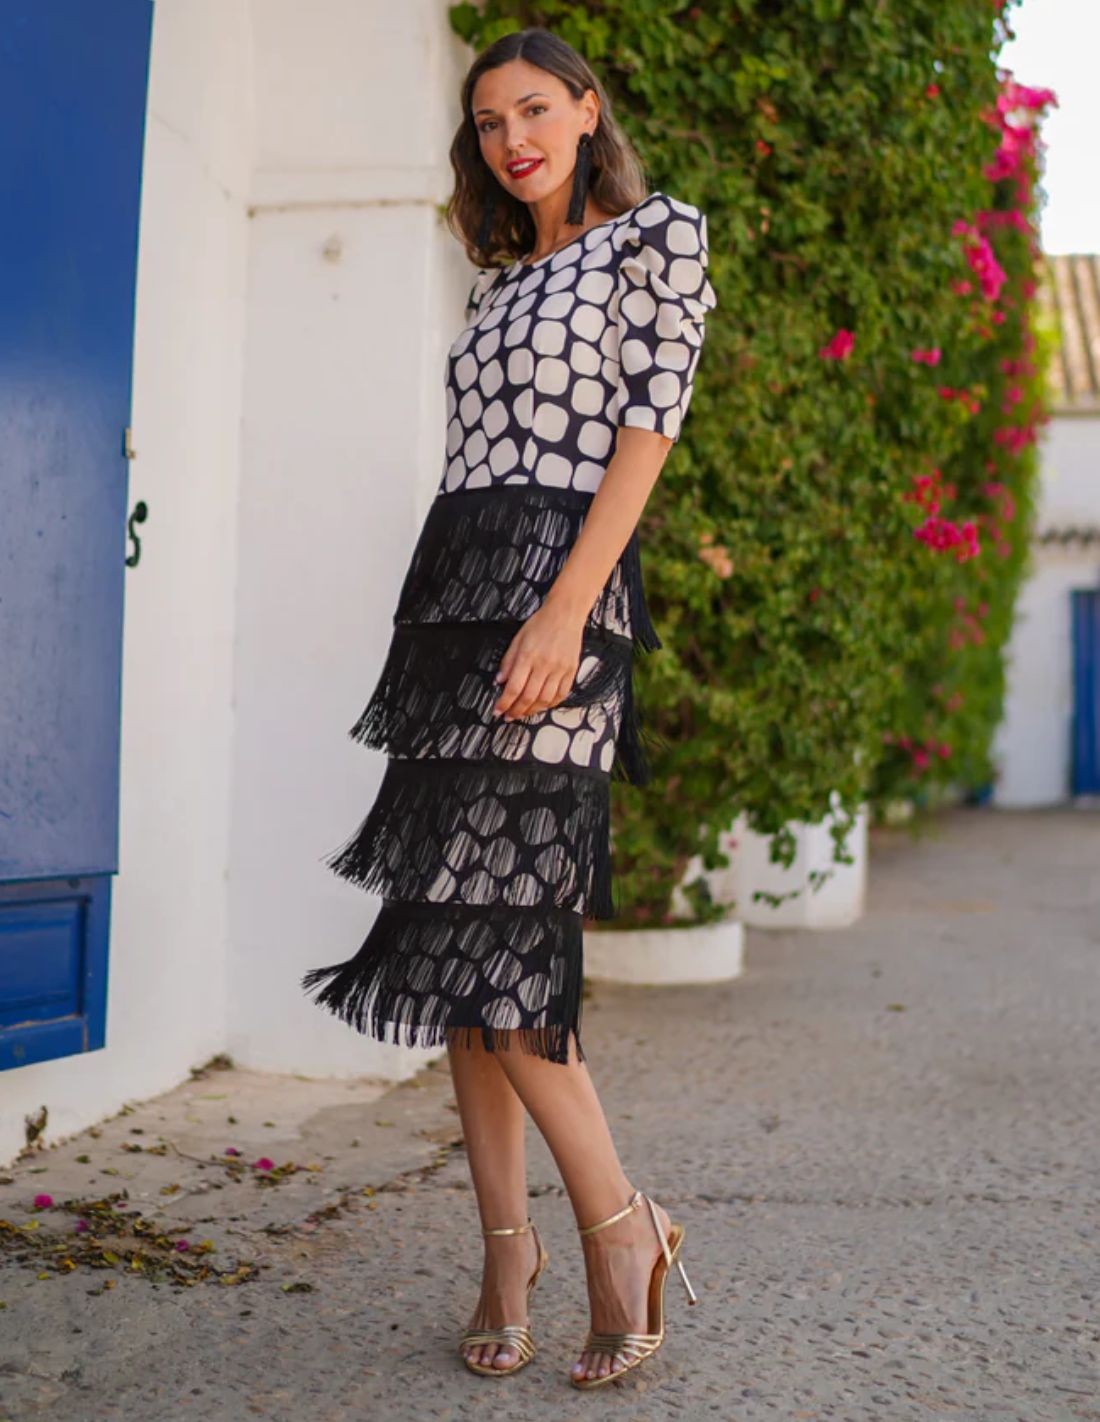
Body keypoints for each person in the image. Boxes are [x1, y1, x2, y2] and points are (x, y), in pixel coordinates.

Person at [302, 25, 717, 1389]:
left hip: (557, 597)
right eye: (489, 122)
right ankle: (505, 1252)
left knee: (502, 937)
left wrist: (565, 608)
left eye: (534, 110)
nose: (512, 140)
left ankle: (619, 1227)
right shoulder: (495, 282)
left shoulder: (655, 238)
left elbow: (648, 432)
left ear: (588, 111)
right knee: (452, 933)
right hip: (457, 600)